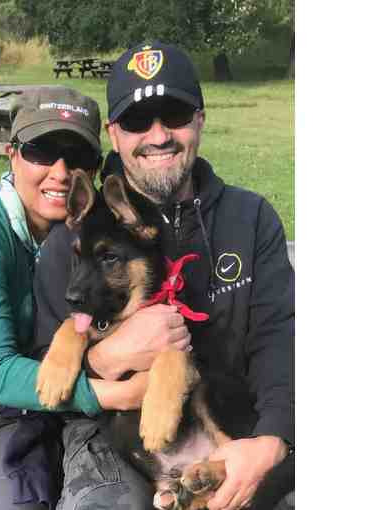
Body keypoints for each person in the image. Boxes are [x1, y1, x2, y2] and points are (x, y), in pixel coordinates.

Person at [33, 41, 295, 510]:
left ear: (200, 120)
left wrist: (273, 439)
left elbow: (279, 338)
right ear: (114, 134)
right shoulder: (74, 239)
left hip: (230, 421)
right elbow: (41, 374)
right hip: (110, 440)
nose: (158, 136)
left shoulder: (250, 219)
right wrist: (102, 359)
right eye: (137, 121)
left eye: (174, 115)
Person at [0, 85, 190, 510]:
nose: (60, 171)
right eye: (41, 151)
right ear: (12, 154)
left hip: (32, 418)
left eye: (77, 156)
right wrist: (120, 393)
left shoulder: (85, 234)